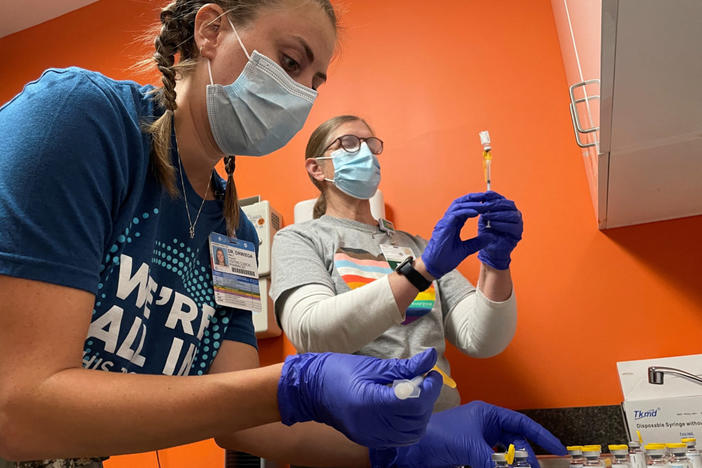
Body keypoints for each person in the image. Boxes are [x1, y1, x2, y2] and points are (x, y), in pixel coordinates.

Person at [0, 2, 446, 466]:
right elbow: (17, 407)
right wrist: (296, 383)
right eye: (291, 62)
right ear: (211, 30)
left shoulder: (235, 235)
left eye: (313, 83)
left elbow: (246, 424)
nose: (299, 94)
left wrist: (408, 450)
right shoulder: (83, 120)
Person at [270, 115, 521, 412]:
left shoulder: (418, 248)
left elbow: (482, 340)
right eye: (349, 143)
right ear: (317, 167)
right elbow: (312, 333)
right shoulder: (300, 239)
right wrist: (421, 271)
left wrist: (496, 261)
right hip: (352, 436)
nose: (365, 152)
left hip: (438, 427)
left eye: (371, 145)